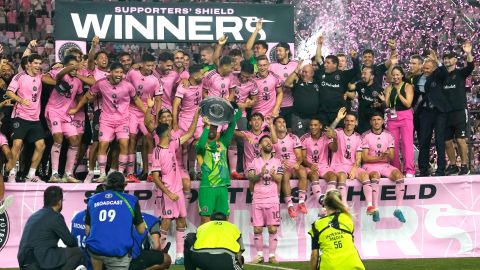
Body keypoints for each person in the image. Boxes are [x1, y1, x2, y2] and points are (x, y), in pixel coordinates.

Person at [145, 96, 200, 265]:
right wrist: (168, 192)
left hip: (177, 190)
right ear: (165, 134)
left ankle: (180, 255)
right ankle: (159, 254)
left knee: (182, 220)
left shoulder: (172, 145)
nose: (172, 132)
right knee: (166, 222)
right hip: (167, 191)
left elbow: (190, 133)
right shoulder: (157, 152)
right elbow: (155, 177)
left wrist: (196, 114)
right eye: (169, 132)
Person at [69, 62, 145, 182]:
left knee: (124, 144)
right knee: (102, 145)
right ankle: (102, 174)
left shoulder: (128, 85)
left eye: (121, 72)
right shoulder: (101, 83)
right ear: (110, 72)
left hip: (123, 120)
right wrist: (76, 108)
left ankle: (120, 173)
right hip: (106, 120)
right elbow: (87, 96)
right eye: (116, 72)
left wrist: (147, 112)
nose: (119, 75)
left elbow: (136, 100)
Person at [6, 54, 52, 183]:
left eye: (40, 63)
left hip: (35, 118)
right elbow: (9, 92)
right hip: (20, 116)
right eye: (36, 63)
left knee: (41, 146)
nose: (38, 66)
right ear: (29, 64)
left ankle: (30, 175)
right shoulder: (19, 77)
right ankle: (11, 174)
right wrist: (20, 100)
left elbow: (52, 80)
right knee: (17, 144)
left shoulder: (40, 76)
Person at [85, 172, 146, 269]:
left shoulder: (93, 199)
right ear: (124, 185)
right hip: (118, 252)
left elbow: (87, 229)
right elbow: (141, 230)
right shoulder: (131, 200)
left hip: (95, 249)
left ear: (106, 185)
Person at [195, 102, 242, 224]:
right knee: (206, 220)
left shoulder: (223, 143)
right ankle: (204, 243)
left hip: (222, 187)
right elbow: (200, 145)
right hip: (208, 187)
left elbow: (233, 124)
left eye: (215, 128)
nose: (213, 129)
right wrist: (206, 126)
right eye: (211, 127)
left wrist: (233, 108)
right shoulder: (201, 145)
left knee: (225, 220)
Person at [18, 186, 83, 270]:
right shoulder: (55, 216)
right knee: (77, 252)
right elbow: (70, 242)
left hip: (24, 260)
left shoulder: (34, 215)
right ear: (59, 201)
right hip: (39, 261)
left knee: (57, 253)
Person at [43, 55, 84, 183]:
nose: (75, 68)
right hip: (53, 111)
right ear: (66, 66)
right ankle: (54, 174)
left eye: (76, 65)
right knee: (58, 138)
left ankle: (68, 174)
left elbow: (80, 96)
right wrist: (68, 68)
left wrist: (77, 108)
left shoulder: (77, 81)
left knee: (75, 141)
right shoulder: (60, 74)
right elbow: (45, 78)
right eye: (71, 65)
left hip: (66, 115)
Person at [362, 112, 406, 223]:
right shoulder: (365, 135)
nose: (376, 122)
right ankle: (376, 209)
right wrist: (382, 156)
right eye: (374, 119)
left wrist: (384, 156)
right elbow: (365, 158)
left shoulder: (389, 135)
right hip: (370, 166)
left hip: (384, 165)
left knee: (399, 177)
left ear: (383, 121)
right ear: (370, 122)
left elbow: (390, 157)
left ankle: (398, 209)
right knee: (374, 176)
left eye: (378, 119)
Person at [126, 53, 163, 183]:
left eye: (152, 65)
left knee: (148, 138)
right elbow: (125, 90)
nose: (150, 68)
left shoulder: (155, 79)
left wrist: (157, 118)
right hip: (131, 110)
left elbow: (158, 100)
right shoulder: (132, 74)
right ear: (141, 64)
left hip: (147, 112)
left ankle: (149, 171)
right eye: (148, 65)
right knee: (131, 138)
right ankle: (130, 173)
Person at [248, 135, 283, 264]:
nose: (269, 143)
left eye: (270, 141)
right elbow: (251, 178)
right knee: (257, 229)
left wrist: (273, 175)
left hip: (272, 199)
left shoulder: (278, 161)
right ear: (260, 146)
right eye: (265, 141)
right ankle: (259, 255)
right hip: (257, 199)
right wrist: (260, 174)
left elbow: (279, 179)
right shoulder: (254, 162)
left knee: (272, 228)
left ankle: (272, 255)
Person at [308, 189, 365, 270]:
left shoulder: (317, 225)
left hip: (330, 267)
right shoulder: (348, 218)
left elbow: (314, 255)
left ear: (324, 203)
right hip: (354, 265)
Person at [331, 110, 375, 211]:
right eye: (347, 120)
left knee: (364, 175)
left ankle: (369, 205)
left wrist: (354, 169)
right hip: (338, 165)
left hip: (352, 165)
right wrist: (338, 118)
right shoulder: (338, 132)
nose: (349, 123)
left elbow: (358, 157)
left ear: (356, 123)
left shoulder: (358, 137)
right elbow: (329, 131)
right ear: (344, 122)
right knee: (342, 176)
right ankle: (344, 205)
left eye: (352, 121)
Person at [417, 51, 452, 176]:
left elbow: (445, 73)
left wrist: (437, 61)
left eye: (428, 68)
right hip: (425, 112)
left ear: (433, 68)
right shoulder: (419, 78)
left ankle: (441, 169)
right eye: (424, 68)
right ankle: (423, 169)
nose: (425, 70)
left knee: (439, 140)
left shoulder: (438, 75)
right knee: (424, 141)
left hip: (439, 112)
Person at [443, 42, 474, 175]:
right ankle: (453, 165)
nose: (446, 60)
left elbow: (471, 66)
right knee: (447, 141)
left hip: (460, 111)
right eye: (445, 58)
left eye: (449, 58)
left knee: (461, 140)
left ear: (455, 60)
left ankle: (465, 165)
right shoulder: (441, 76)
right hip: (445, 113)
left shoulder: (460, 73)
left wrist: (468, 53)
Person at [270, 115, 308, 218]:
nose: (282, 124)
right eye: (279, 122)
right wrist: (280, 162)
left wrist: (298, 163)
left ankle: (301, 202)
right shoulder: (272, 139)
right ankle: (290, 205)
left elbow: (299, 156)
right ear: (274, 126)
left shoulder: (293, 137)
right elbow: (270, 157)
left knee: (303, 172)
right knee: (285, 176)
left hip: (294, 165)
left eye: (283, 122)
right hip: (281, 166)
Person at [385, 66, 415, 177]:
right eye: (394, 75)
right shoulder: (388, 88)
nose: (396, 77)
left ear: (402, 75)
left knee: (407, 144)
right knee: (393, 145)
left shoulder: (408, 86)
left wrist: (399, 93)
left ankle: (409, 170)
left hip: (405, 116)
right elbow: (387, 105)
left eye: (398, 74)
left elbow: (408, 104)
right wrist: (384, 99)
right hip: (392, 117)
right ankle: (396, 169)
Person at [300, 116, 338, 206]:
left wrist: (335, 138)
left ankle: (328, 200)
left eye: (315, 125)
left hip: (323, 165)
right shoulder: (304, 138)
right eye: (311, 125)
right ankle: (320, 199)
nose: (313, 127)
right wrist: (310, 165)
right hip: (310, 166)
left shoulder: (326, 136)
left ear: (320, 126)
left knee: (333, 176)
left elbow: (334, 149)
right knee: (313, 175)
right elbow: (302, 157)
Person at [284, 61, 321, 136]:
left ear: (312, 74)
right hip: (298, 117)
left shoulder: (317, 84)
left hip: (313, 118)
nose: (303, 74)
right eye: (303, 72)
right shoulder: (297, 82)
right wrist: (296, 70)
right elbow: (286, 84)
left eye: (306, 72)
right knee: (299, 140)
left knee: (312, 140)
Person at [348, 66, 385, 133]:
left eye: (365, 74)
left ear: (372, 76)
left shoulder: (379, 89)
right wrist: (355, 77)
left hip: (374, 123)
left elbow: (385, 105)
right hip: (362, 121)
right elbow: (350, 87)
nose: (362, 76)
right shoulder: (360, 85)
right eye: (362, 73)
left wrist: (380, 104)